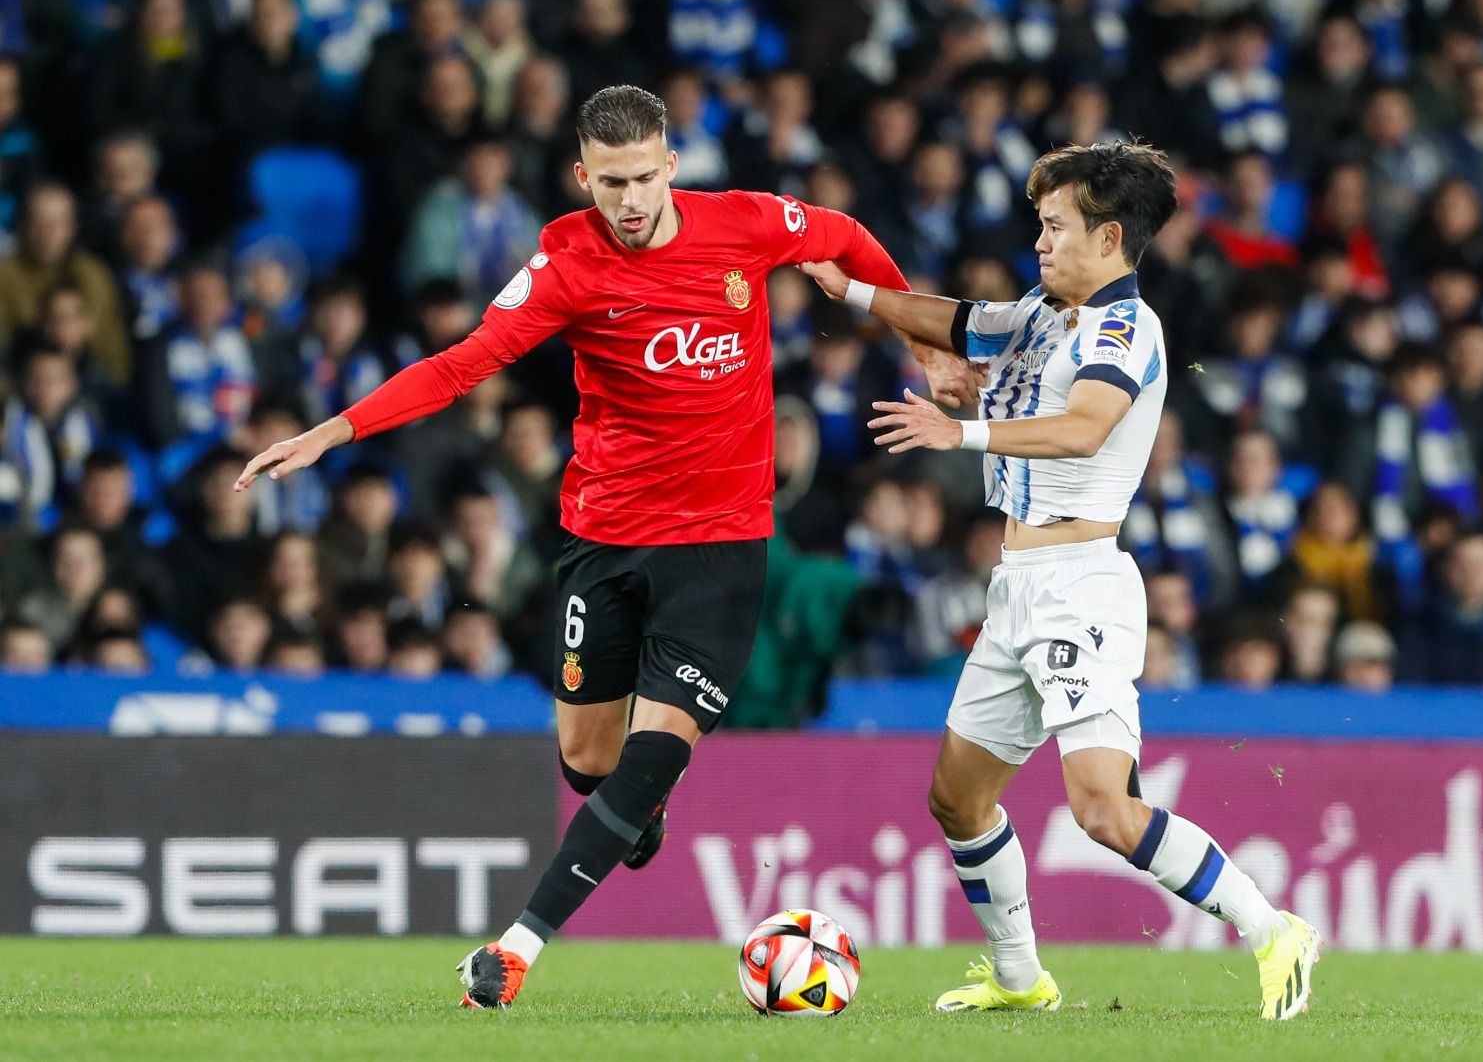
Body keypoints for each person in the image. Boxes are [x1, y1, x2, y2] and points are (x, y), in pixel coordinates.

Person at [233, 84, 955, 1009]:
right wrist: (334, 431)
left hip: (720, 543)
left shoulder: (741, 225)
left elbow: (843, 234)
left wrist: (917, 334)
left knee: (656, 751)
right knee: (587, 761)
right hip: (603, 537)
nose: (631, 199)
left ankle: (517, 947)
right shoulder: (566, 263)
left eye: (645, 177)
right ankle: (626, 813)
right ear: (584, 177)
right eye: (611, 182)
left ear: (671, 165)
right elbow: (462, 365)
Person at [802, 141, 1320, 1019]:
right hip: (1019, 588)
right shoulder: (1047, 311)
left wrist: (956, 436)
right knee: (957, 799)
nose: (1038, 242)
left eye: (1054, 227)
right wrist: (849, 287)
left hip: (1081, 588)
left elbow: (1083, 430)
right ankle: (1019, 978)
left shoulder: (1128, 329)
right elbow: (961, 320)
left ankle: (1275, 931)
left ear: (1109, 235)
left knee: (1105, 812)